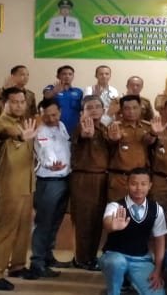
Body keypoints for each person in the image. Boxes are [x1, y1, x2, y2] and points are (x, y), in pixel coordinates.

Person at [0, 87, 38, 290]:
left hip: (25, 187)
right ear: (3, 103)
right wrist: (21, 136)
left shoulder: (24, 123)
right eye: (14, 102)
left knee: (23, 229)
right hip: (4, 188)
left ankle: (17, 266)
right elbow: (6, 133)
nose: (19, 106)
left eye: (22, 102)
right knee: (1, 231)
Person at [99, 167, 167, 295]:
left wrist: (158, 270)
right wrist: (112, 225)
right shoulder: (115, 206)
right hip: (114, 256)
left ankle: (128, 281)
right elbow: (107, 222)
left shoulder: (156, 209)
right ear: (127, 184)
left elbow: (160, 240)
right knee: (117, 263)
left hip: (141, 259)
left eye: (143, 184)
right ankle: (114, 291)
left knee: (158, 293)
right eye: (134, 183)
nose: (138, 188)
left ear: (150, 186)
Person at [30, 98, 71, 277]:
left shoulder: (61, 126)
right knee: (44, 222)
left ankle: (48, 256)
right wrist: (52, 164)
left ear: (60, 112)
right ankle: (37, 262)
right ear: (40, 115)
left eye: (54, 114)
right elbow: (46, 150)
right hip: (48, 181)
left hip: (64, 179)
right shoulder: (40, 130)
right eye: (46, 116)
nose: (51, 119)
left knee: (55, 222)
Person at [69, 95, 111, 271]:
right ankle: (81, 259)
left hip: (102, 179)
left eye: (97, 107)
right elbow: (81, 136)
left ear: (103, 110)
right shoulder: (81, 127)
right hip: (84, 179)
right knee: (84, 220)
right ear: (82, 112)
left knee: (96, 220)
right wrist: (85, 134)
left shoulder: (105, 129)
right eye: (89, 107)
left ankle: (91, 257)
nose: (94, 110)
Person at [107, 95, 155, 201]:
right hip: (119, 178)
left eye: (135, 108)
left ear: (140, 108)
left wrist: (154, 133)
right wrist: (114, 140)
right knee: (117, 208)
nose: (131, 111)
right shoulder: (114, 127)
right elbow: (107, 146)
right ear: (121, 110)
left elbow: (150, 142)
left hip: (140, 179)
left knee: (139, 209)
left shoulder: (148, 127)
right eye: (127, 108)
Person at [43, 65, 84, 134]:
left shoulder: (78, 91)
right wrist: (54, 92)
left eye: (70, 74)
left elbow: (84, 109)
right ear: (58, 76)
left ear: (73, 76)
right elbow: (46, 95)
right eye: (64, 74)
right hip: (55, 129)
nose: (67, 76)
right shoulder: (51, 88)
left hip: (74, 130)